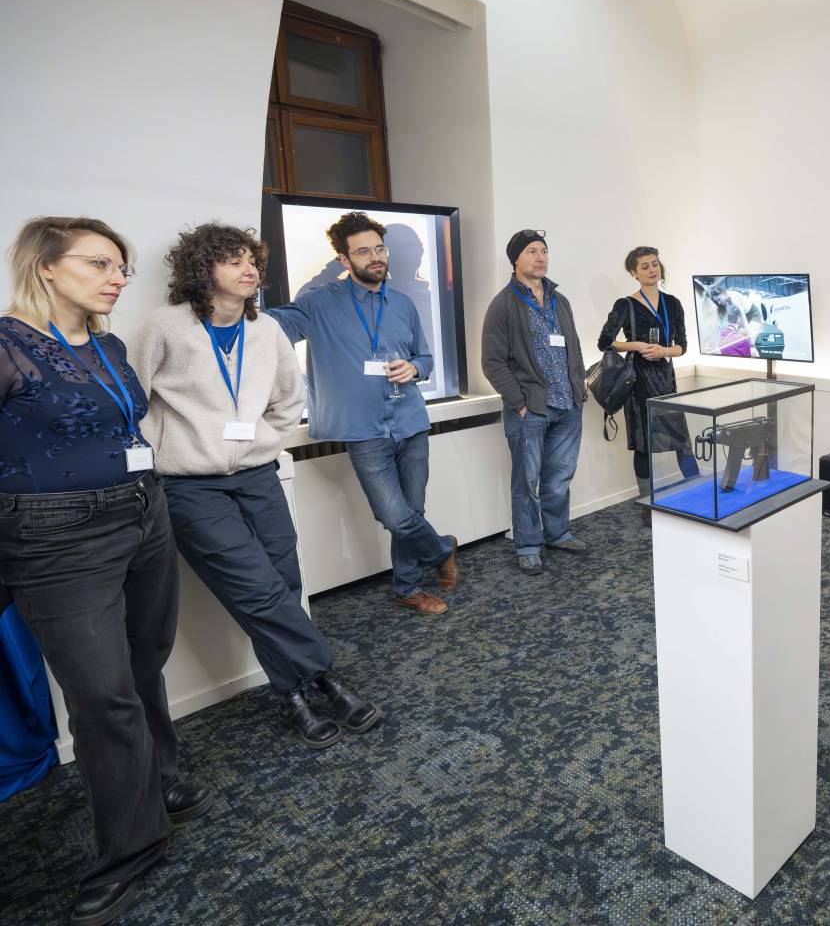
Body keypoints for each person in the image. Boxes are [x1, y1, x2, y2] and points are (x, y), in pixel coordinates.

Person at [0, 217, 215, 926]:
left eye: (121, 266)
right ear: (45, 267)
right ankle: (132, 847)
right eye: (99, 264)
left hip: (143, 513)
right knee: (102, 694)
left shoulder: (109, 344)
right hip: (55, 539)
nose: (117, 277)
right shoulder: (6, 344)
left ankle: (160, 782)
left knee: (145, 661)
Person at [135, 222, 381, 750]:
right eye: (234, 261)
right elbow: (131, 401)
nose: (248, 270)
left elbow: (290, 398)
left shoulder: (266, 329)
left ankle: (291, 693)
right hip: (190, 486)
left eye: (252, 261)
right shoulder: (165, 327)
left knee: (284, 581)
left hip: (257, 474)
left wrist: (263, 442)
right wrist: (163, 452)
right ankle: (324, 677)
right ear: (203, 269)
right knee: (255, 588)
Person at [267, 212, 458, 615]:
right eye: (363, 251)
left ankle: (408, 587)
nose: (376, 257)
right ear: (343, 259)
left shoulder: (403, 303)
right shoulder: (318, 303)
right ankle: (443, 549)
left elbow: (425, 356)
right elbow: (270, 328)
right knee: (395, 516)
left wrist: (415, 368)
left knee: (413, 511)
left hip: (410, 420)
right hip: (363, 430)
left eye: (379, 249)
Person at [481, 229, 588, 575]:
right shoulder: (503, 305)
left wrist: (579, 390)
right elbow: (493, 362)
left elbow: (574, 348)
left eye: (544, 250)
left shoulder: (560, 301)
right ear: (515, 260)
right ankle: (527, 545)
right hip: (530, 411)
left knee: (559, 477)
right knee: (527, 483)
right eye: (531, 251)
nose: (540, 257)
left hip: (568, 406)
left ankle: (557, 533)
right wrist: (519, 402)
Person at [597, 247, 700, 526]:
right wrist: (637, 346)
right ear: (634, 273)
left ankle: (699, 492)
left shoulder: (673, 303)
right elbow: (605, 342)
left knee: (681, 440)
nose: (652, 269)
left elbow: (682, 346)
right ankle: (648, 504)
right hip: (638, 380)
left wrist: (665, 351)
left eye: (655, 264)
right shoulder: (626, 305)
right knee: (643, 444)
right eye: (644, 266)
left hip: (665, 378)